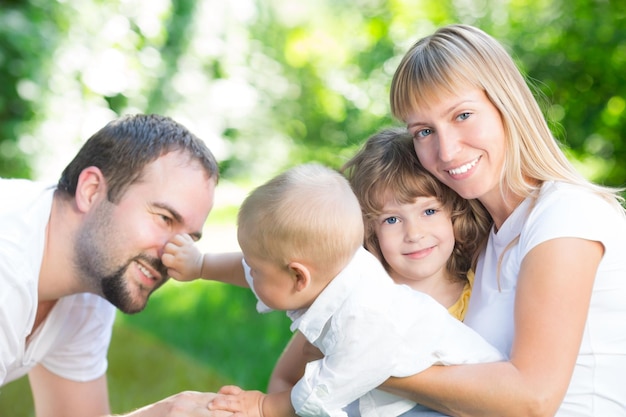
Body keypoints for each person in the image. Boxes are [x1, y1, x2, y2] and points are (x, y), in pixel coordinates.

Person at [383, 23, 626, 416]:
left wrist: (369, 367)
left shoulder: (566, 216)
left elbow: (533, 398)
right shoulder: (480, 237)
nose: (445, 150)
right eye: (424, 131)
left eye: (462, 115)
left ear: (506, 104)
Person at [163, 162, 503, 417]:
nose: (249, 272)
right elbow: (261, 268)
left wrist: (265, 407)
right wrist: (201, 265)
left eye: (254, 267)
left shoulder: (363, 317)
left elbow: (325, 390)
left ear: (299, 278)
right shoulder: (335, 268)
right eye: (392, 219)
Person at [0, 113, 225, 417]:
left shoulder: (93, 283)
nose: (174, 256)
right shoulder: (8, 263)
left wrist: (164, 413)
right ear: (91, 190)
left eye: (189, 240)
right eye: (164, 218)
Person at [266, 127, 492, 396]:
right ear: (369, 228)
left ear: (454, 212)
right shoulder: (357, 298)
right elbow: (285, 378)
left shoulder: (481, 288)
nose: (415, 234)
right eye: (392, 219)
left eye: (429, 211)